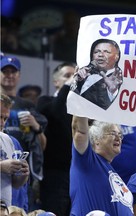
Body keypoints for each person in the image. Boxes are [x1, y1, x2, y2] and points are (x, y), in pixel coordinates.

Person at [1, 55, 47, 211]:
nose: (2, 122)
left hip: (15, 178)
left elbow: (42, 145)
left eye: (5, 117)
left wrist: (36, 126)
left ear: (19, 75)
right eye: (5, 71)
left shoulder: (27, 105)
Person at [70, 116, 134, 215]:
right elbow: (79, 132)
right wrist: (81, 103)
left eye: (120, 135)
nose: (118, 138)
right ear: (96, 140)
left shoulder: (110, 170)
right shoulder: (87, 161)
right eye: (113, 133)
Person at [36, 62, 76, 216]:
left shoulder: (80, 108)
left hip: (75, 173)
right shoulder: (44, 101)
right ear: (56, 82)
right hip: (53, 174)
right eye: (67, 75)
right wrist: (67, 87)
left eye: (74, 75)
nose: (72, 79)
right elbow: (58, 112)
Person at [71, 38, 123, 110]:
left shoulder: (118, 79)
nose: (100, 55)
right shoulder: (84, 74)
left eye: (106, 52)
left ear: (116, 57)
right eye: (96, 52)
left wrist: (112, 92)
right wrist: (76, 81)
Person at [0, 94, 30, 207]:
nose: (2, 123)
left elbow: (16, 185)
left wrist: (22, 175)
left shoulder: (10, 141)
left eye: (5, 118)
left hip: (6, 208)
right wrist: (1, 166)